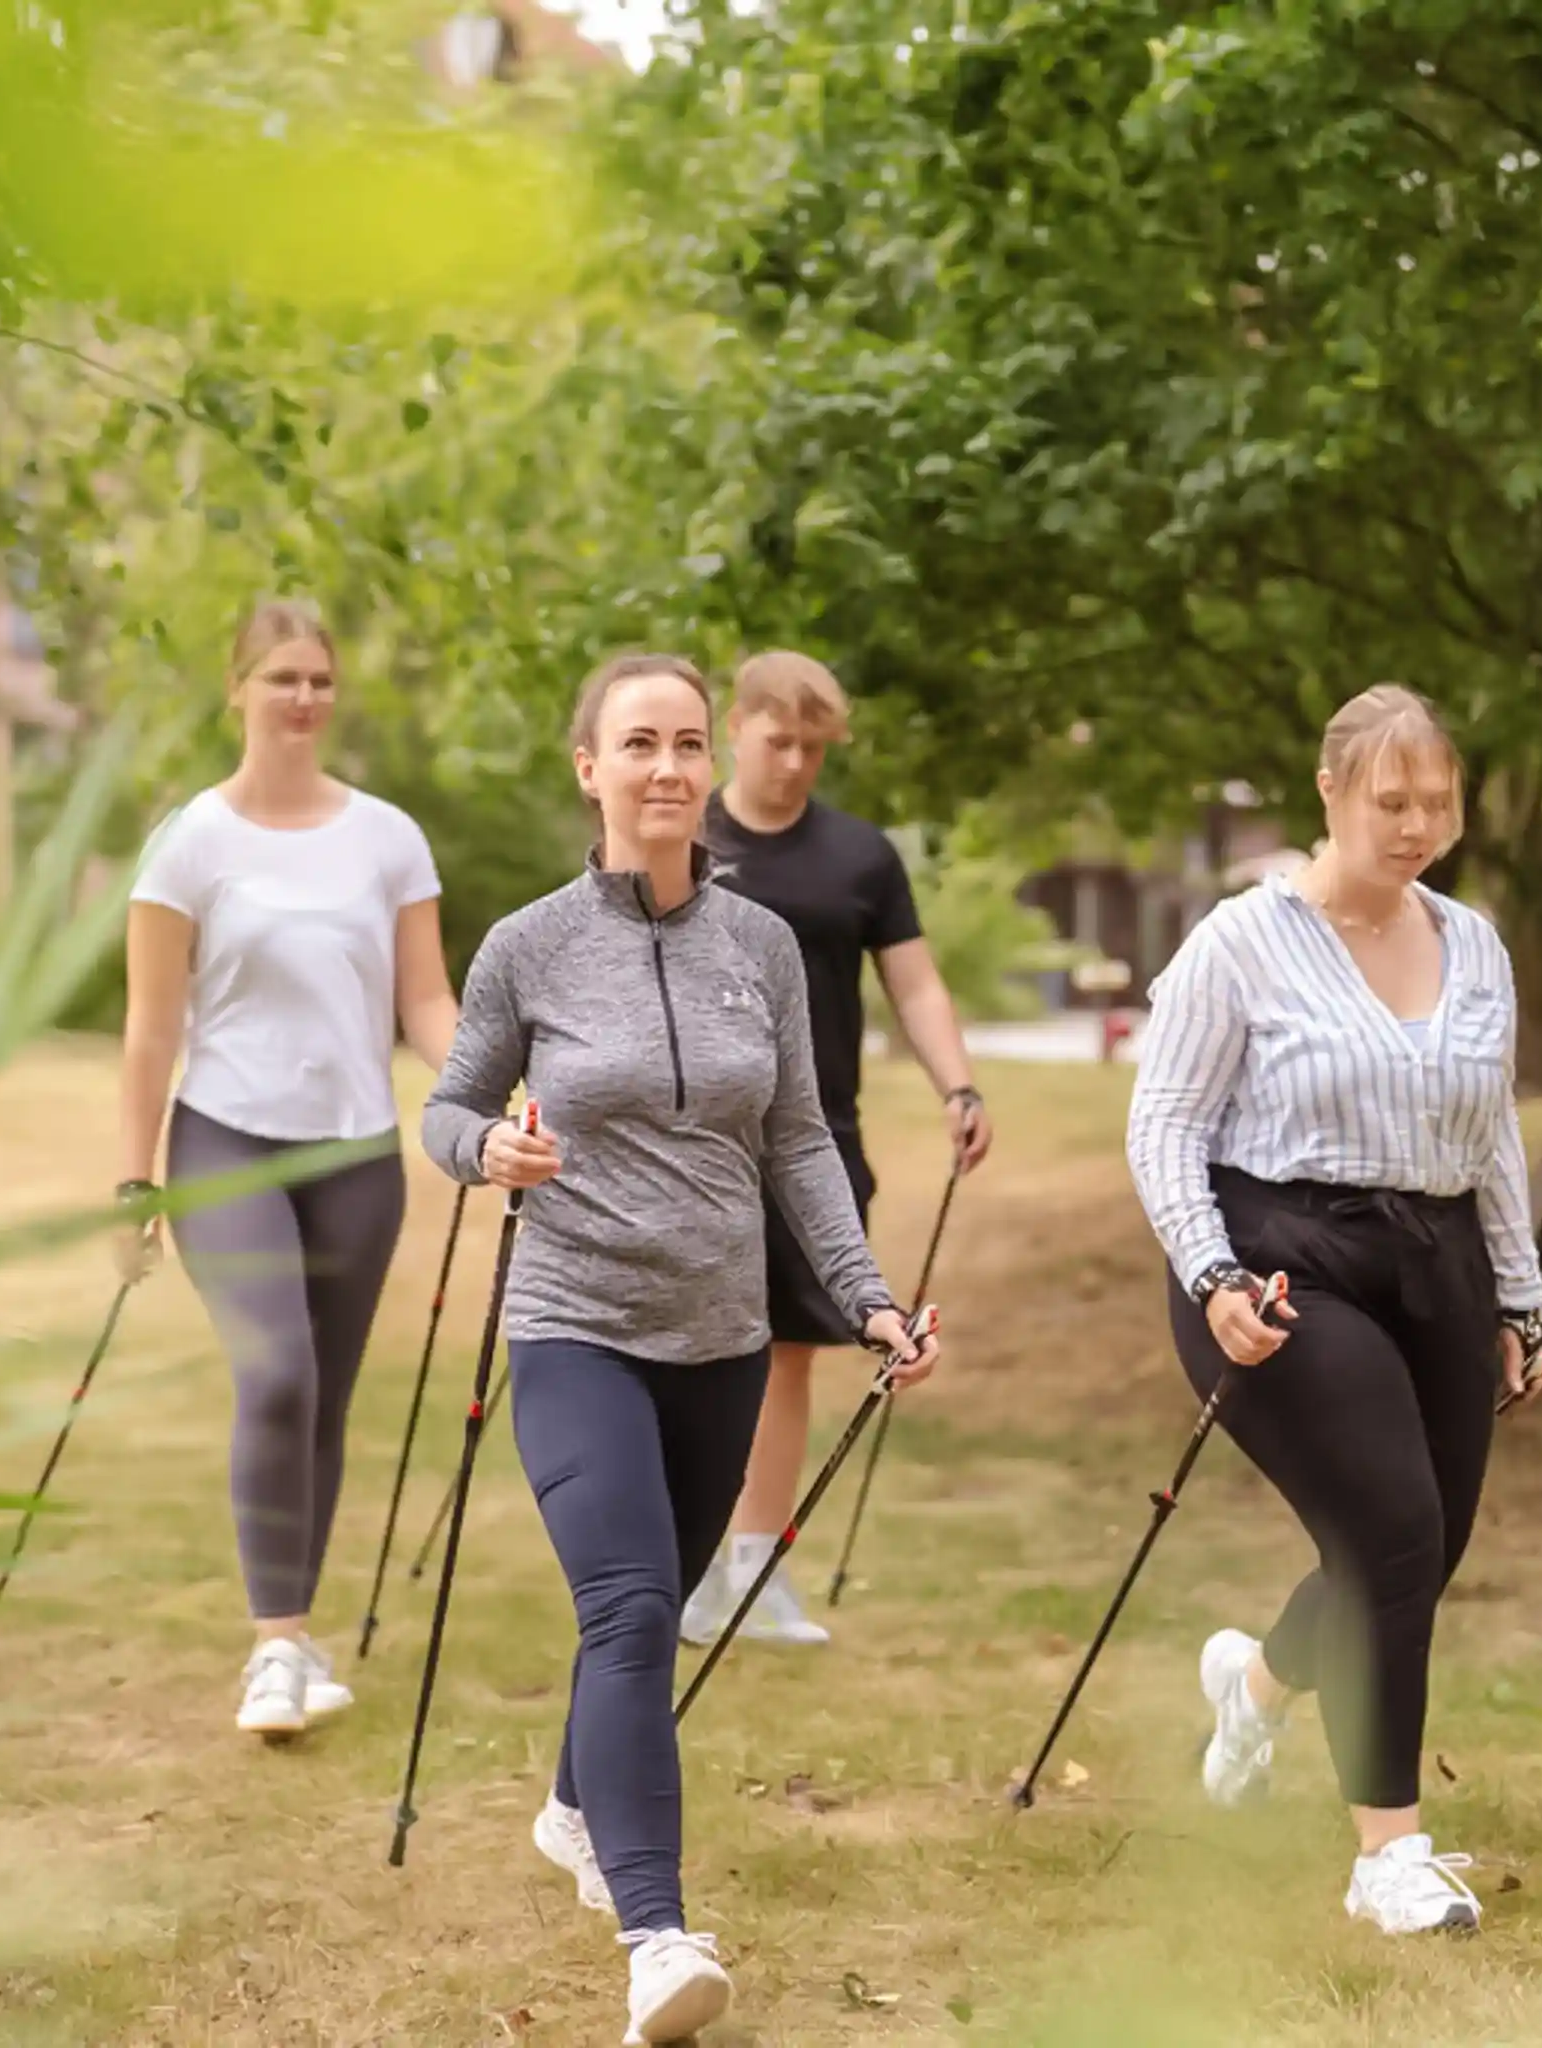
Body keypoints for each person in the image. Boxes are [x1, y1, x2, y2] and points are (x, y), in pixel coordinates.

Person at [420, 652, 939, 2047]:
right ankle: (657, 1936)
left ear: (709, 770)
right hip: (576, 1323)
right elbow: (449, 1106)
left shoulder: (759, 947)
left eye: (687, 742)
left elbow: (800, 1141)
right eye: (637, 742)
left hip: (719, 1336)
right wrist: (492, 1149)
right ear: (588, 766)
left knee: (638, 1615)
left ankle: (575, 1807)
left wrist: (868, 1297)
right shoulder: (528, 946)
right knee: (635, 1607)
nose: (666, 767)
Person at [1125, 683, 1542, 1937]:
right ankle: (1387, 1851)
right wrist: (1209, 1278)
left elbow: (1492, 1139)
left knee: (1414, 1551)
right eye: (1390, 800)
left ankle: (1249, 1690)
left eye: (1437, 801)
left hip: (1439, 1260)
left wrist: (1519, 1295)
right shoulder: (1239, 942)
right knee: (1396, 1529)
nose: (1415, 823)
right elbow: (1165, 1124)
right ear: (1331, 793)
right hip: (1278, 1257)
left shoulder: (1474, 942)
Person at [115, 599, 461, 1740]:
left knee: (323, 1394)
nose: (304, 696)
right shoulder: (190, 843)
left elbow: (422, 1000)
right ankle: (273, 1650)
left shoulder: (387, 836)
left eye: (318, 677)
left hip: (356, 1149)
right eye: (281, 677)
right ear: (239, 690)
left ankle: (295, 1630)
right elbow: (151, 1031)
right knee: (274, 1375)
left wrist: (484, 1089)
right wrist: (135, 1179)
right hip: (223, 1141)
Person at [680, 649, 991, 1650]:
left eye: (815, 746)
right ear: (735, 725)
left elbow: (915, 984)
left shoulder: (858, 857)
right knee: (687, 1346)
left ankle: (754, 1569)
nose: (797, 761)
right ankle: (675, 1565)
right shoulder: (680, 835)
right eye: (780, 740)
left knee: (787, 1354)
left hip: (816, 1136)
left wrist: (959, 1083)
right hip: (690, 1135)